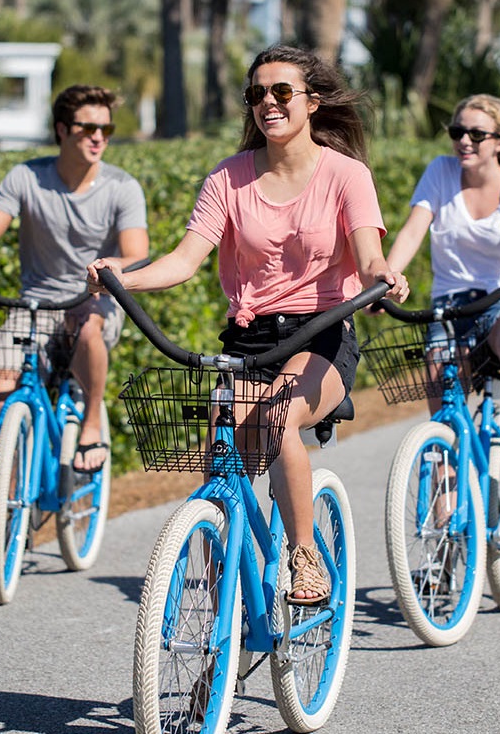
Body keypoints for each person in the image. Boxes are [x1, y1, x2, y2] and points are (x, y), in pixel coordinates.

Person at [89, 45, 409, 605]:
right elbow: (184, 260)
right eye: (257, 93)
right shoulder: (228, 179)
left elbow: (368, 257)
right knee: (222, 449)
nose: (269, 103)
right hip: (249, 336)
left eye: (282, 92)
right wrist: (123, 277)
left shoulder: (345, 175)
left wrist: (385, 275)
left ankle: (305, 555)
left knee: (278, 417)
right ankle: (221, 603)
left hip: (322, 331)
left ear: (311, 102)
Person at [0, 85, 148, 474]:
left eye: (106, 130)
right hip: (34, 304)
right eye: (87, 128)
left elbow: (137, 254)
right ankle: (10, 489)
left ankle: (91, 420)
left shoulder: (123, 187)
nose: (98, 137)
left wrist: (110, 271)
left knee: (89, 327)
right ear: (61, 129)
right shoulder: (26, 177)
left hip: (95, 299)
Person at [385, 93, 500, 491]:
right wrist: (387, 278)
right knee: (443, 409)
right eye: (457, 132)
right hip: (450, 305)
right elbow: (415, 227)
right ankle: (447, 515)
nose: (464, 141)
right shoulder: (441, 172)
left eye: (476, 134)